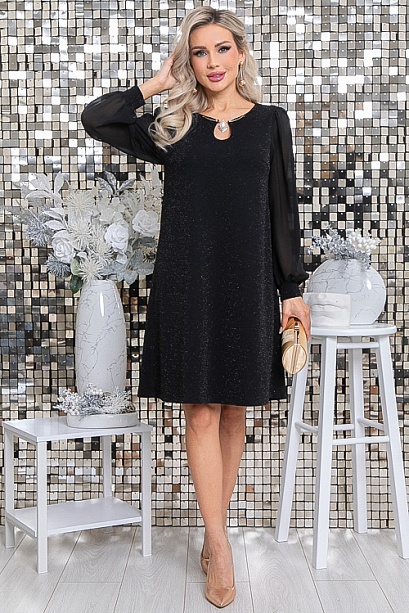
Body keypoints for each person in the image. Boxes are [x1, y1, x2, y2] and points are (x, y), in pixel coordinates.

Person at [82, 6, 310, 608]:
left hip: (249, 281)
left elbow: (283, 210)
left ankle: (214, 533)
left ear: (241, 53)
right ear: (189, 59)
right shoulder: (173, 125)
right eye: (199, 52)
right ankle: (220, 545)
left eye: (221, 49)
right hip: (189, 281)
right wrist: (158, 82)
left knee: (234, 412)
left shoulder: (270, 123)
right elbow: (97, 118)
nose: (212, 62)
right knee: (201, 412)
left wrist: (292, 288)